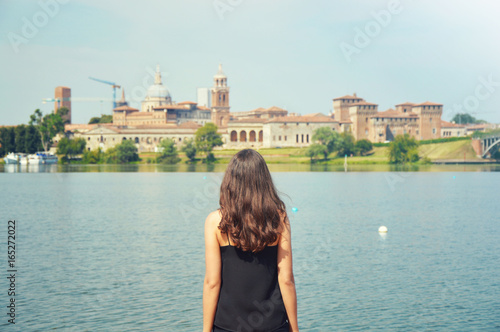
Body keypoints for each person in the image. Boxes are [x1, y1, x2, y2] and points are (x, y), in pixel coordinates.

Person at [203, 149, 299, 332]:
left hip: (227, 326)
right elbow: (286, 280)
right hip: (273, 325)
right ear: (264, 181)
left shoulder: (214, 221)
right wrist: (295, 329)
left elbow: (212, 283)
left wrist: (206, 330)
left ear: (230, 181)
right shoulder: (279, 219)